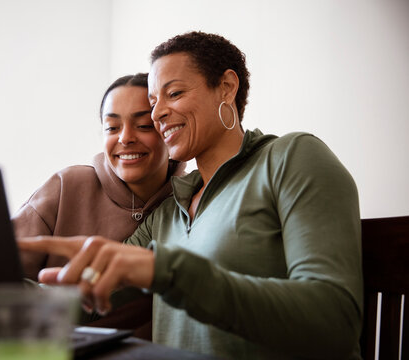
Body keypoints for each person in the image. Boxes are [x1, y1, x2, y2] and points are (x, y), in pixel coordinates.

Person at [19, 32, 363, 359]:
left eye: (174, 93)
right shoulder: (168, 211)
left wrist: (170, 271)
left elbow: (335, 322)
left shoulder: (291, 158)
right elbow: (87, 297)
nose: (157, 114)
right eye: (154, 102)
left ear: (226, 87)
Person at [12, 73, 186, 339]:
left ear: (166, 128)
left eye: (143, 125)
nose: (125, 138)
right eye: (112, 128)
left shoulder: (188, 206)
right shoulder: (68, 184)